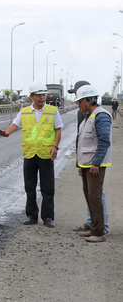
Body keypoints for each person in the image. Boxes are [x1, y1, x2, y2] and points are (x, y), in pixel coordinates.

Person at [0, 80, 63, 228]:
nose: (42, 98)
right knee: (30, 187)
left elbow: (58, 129)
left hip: (46, 154)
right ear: (31, 96)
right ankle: (32, 216)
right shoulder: (25, 112)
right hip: (30, 154)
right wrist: (6, 132)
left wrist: (55, 146)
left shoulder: (53, 111)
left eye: (43, 95)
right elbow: (15, 124)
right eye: (39, 95)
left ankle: (47, 217)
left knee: (48, 188)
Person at [68, 80, 109, 234]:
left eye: (80, 102)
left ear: (89, 100)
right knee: (90, 196)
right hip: (86, 164)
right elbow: (82, 142)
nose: (78, 105)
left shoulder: (101, 116)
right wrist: (79, 163)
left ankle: (99, 231)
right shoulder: (87, 116)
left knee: (96, 196)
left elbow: (104, 141)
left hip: (94, 164)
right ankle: (93, 226)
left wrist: (96, 163)